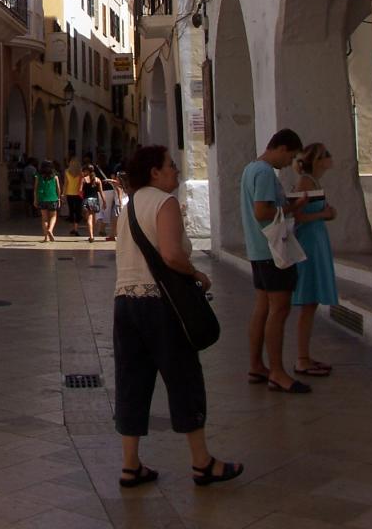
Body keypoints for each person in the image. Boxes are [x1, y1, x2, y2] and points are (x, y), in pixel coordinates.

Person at [114, 145, 242, 488]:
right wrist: (197, 275)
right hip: (160, 305)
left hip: (125, 303)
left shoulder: (128, 208)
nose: (177, 171)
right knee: (183, 377)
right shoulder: (164, 202)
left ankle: (130, 464)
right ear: (155, 172)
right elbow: (171, 254)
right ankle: (201, 461)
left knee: (132, 381)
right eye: (171, 166)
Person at [240, 128, 311, 394]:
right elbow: (262, 211)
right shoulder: (266, 172)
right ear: (280, 148)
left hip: (258, 251)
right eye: (290, 156)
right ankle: (278, 372)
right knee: (279, 309)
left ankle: (257, 365)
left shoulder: (251, 168)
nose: (289, 162)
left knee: (262, 307)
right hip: (273, 251)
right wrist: (292, 208)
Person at [291, 143, 338, 376]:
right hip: (309, 243)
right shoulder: (306, 182)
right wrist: (323, 214)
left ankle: (306, 356)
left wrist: (325, 215)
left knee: (312, 303)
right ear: (318, 159)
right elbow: (298, 215)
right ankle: (301, 358)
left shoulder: (314, 182)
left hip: (317, 240)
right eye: (326, 155)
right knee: (308, 303)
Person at [33, 160, 61, 242]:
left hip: (42, 198)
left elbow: (35, 188)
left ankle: (46, 237)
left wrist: (35, 199)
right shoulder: (55, 176)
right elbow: (58, 188)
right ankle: (50, 230)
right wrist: (59, 198)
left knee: (44, 218)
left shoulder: (38, 176)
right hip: (53, 198)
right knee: (53, 216)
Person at [81, 164, 106, 243]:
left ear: (87, 171)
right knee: (93, 218)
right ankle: (93, 235)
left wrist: (82, 198)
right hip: (95, 200)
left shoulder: (84, 179)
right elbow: (101, 192)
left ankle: (91, 235)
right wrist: (104, 202)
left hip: (87, 200)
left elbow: (80, 191)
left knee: (89, 218)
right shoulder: (98, 180)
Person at [106, 166, 128, 242]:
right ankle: (113, 236)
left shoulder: (118, 186)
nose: (116, 178)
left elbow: (120, 195)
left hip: (119, 205)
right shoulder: (126, 185)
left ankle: (116, 236)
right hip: (125, 205)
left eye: (117, 177)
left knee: (115, 222)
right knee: (120, 222)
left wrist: (121, 205)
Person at [63, 156, 83, 236]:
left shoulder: (67, 171)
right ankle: (76, 228)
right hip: (78, 194)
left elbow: (65, 183)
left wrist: (63, 194)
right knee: (78, 211)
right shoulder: (81, 172)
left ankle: (72, 228)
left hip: (69, 193)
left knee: (71, 211)